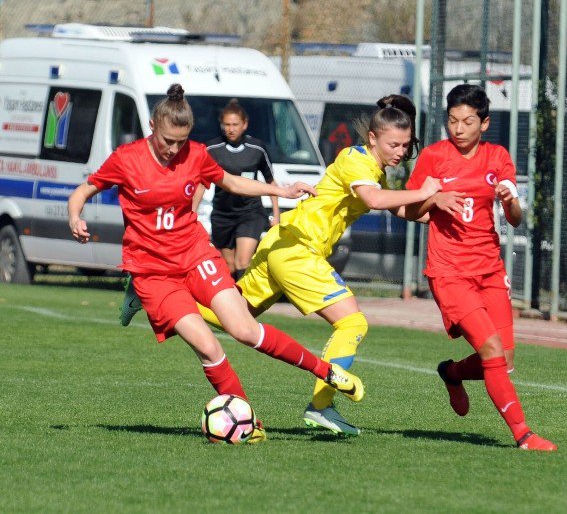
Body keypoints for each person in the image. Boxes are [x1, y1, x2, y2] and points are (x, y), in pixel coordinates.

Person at [68, 84, 362, 443]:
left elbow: (231, 182)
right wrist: (75, 216)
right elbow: (84, 190)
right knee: (209, 347)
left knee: (245, 330)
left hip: (195, 254)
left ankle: (327, 371)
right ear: (151, 127)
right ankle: (249, 424)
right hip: (153, 272)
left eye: (181, 141)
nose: (174, 149)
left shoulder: (195, 154)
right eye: (167, 141)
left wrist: (280, 191)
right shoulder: (127, 158)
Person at [195, 94, 441, 436]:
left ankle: (161, 298)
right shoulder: (356, 160)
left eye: (405, 144)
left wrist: (438, 210)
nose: (401, 151)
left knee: (237, 318)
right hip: (299, 250)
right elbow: (374, 199)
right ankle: (323, 406)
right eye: (394, 144)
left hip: (282, 241)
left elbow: (396, 207)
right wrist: (424, 191)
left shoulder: (372, 168)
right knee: (353, 323)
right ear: (373, 139)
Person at [404, 84, 556, 452]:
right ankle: (523, 434)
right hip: (449, 271)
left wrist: (510, 200)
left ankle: (452, 373)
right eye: (452, 120)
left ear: (484, 123)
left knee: (504, 357)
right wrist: (433, 198)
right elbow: (409, 210)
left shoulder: (498, 157)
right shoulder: (434, 157)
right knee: (490, 348)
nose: (458, 128)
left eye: (467, 121)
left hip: (489, 270)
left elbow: (516, 220)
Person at [195, 99, 280, 280]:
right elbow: (201, 183)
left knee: (243, 261)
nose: (231, 129)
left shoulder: (257, 148)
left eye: (235, 124)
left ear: (245, 124)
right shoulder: (212, 149)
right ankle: (230, 302)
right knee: (229, 266)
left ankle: (245, 305)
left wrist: (276, 214)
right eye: (227, 124)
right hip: (222, 214)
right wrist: (191, 213)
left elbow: (271, 182)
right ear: (221, 125)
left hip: (251, 212)